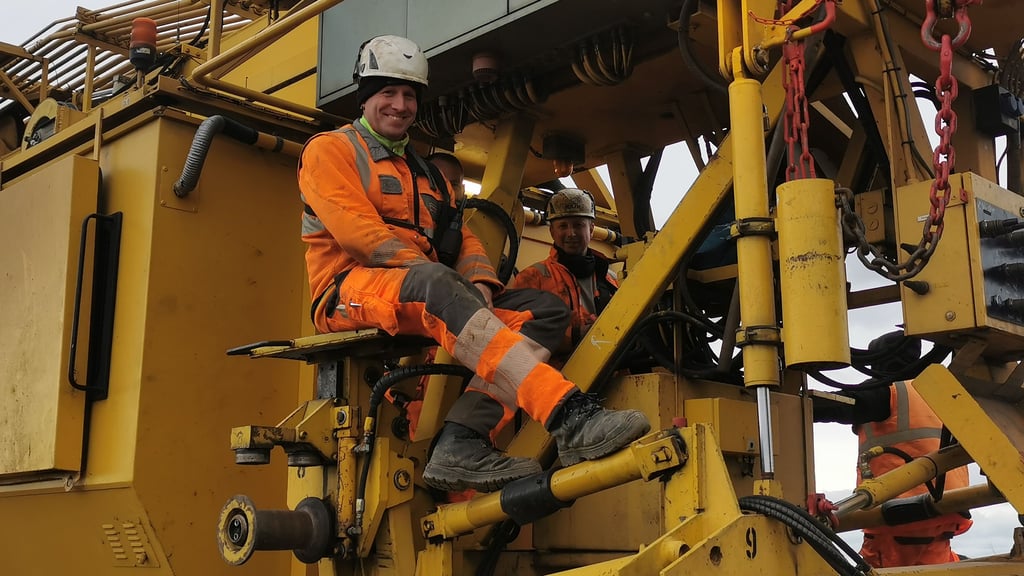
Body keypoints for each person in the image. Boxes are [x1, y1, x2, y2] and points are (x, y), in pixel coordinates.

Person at [297, 35, 650, 493]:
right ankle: (568, 415)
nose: (400, 105)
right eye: (388, 93)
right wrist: (449, 284)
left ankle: (461, 442)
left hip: (424, 292)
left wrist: (479, 280)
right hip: (348, 293)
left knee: (544, 311)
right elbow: (361, 238)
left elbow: (460, 237)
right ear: (365, 97)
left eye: (409, 95)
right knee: (436, 284)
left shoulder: (426, 175)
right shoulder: (330, 150)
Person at [814, 331, 972, 567]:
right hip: (949, 508)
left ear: (879, 363)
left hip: (899, 510)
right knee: (937, 564)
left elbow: (837, 407)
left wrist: (794, 400)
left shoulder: (889, 391)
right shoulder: (946, 393)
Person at [512, 188, 618, 355]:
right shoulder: (533, 277)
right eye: (563, 226)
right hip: (555, 375)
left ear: (591, 229)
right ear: (552, 232)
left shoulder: (610, 279)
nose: (571, 233)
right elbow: (517, 331)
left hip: (607, 372)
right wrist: (574, 336)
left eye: (578, 225)